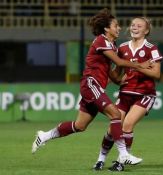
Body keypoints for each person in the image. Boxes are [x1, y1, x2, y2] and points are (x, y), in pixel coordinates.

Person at [31, 8, 151, 171]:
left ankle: (44, 135)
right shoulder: (101, 41)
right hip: (91, 84)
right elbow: (120, 63)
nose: (119, 28)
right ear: (107, 28)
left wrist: (120, 81)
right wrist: (140, 65)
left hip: (95, 87)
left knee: (80, 125)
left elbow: (110, 72)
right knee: (115, 114)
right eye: (116, 25)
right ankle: (123, 154)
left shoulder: (112, 46)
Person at [92, 17, 163, 171]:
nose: (134, 27)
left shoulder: (152, 48)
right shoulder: (122, 48)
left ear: (146, 31)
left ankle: (121, 162)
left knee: (127, 124)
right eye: (132, 25)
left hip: (145, 94)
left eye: (139, 26)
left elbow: (156, 74)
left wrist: (136, 67)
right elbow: (117, 75)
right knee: (112, 129)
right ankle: (100, 159)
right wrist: (107, 77)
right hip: (125, 94)